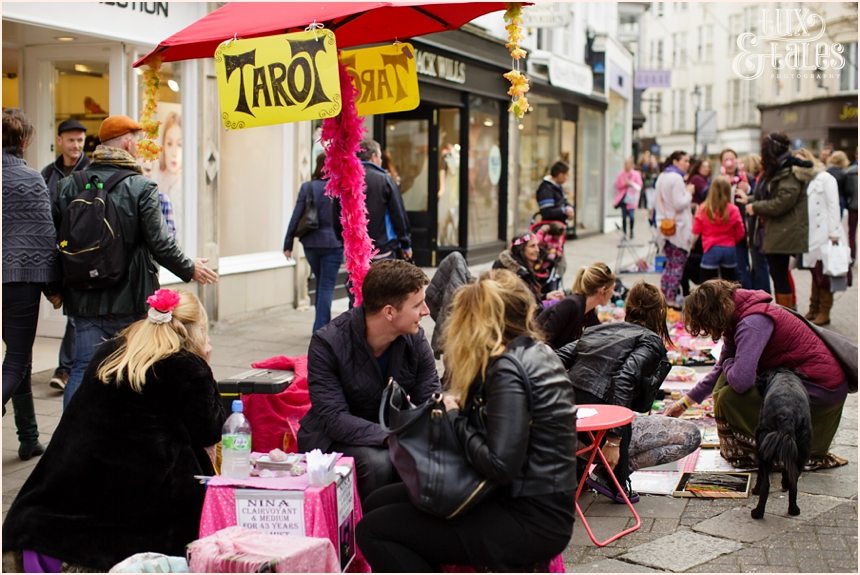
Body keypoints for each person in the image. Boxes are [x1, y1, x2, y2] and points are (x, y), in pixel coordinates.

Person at [356, 269, 577, 572]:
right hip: (535, 503)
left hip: (527, 517)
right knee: (379, 501)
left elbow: (500, 464)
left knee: (373, 530)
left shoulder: (506, 369)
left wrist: (455, 416)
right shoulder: (537, 353)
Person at [2, 289, 225, 571]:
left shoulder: (111, 350)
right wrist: (205, 365)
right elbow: (210, 431)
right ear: (196, 331)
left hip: (33, 526)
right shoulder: (187, 367)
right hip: (103, 543)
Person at [52, 115, 219, 409]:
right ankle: (122, 439)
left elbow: (52, 240)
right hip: (129, 297)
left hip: (82, 294)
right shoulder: (141, 186)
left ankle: (71, 440)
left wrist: (54, 287)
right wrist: (189, 267)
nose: (142, 147)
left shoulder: (69, 185)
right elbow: (160, 242)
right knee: (133, 368)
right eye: (139, 141)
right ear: (127, 143)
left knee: (82, 368)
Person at [665, 280, 848, 471]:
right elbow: (721, 368)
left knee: (729, 397)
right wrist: (683, 404)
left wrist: (728, 363)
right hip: (807, 385)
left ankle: (770, 450)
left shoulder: (752, 322)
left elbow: (742, 381)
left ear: (713, 315)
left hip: (821, 394)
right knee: (725, 379)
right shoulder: (736, 314)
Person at [297, 259, 440, 501]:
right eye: (417, 305)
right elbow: (334, 418)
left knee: (429, 453)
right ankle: (366, 532)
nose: (426, 311)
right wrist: (392, 437)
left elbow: (430, 399)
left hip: (389, 432)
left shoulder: (414, 339)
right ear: (389, 312)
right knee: (379, 462)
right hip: (333, 438)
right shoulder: (328, 342)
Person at [557, 282, 701, 504]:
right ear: (659, 312)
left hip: (570, 423)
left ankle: (587, 465)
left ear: (628, 306)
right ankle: (607, 475)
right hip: (599, 430)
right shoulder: (650, 340)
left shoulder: (600, 330)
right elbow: (624, 378)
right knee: (690, 435)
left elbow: (553, 358)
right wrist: (614, 440)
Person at [2, 109, 61, 461]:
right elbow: (43, 238)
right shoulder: (29, 179)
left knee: (18, 362)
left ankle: (28, 437)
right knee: (18, 358)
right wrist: (53, 287)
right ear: (24, 140)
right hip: (19, 280)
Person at [40, 118, 90, 393]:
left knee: (75, 313)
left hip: (80, 252)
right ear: (60, 140)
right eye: (71, 140)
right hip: (52, 250)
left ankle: (65, 369)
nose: (76, 145)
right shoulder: (48, 173)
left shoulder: (91, 172)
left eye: (80, 140)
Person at [736, 132, 810, 309]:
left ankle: (788, 316)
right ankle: (787, 314)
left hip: (783, 231)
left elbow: (782, 202)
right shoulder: (781, 167)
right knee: (778, 274)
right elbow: (772, 196)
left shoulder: (789, 170)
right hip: (777, 230)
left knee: (780, 275)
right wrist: (751, 200)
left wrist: (756, 207)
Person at [283, 153, 344, 333]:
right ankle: (322, 329)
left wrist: (288, 244)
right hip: (333, 243)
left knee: (320, 283)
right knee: (325, 285)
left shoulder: (307, 187)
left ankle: (320, 325)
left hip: (310, 243)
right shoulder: (338, 188)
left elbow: (296, 216)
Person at [334, 139, 412, 266]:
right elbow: (398, 215)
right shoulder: (385, 179)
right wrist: (405, 244)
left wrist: (343, 241)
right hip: (382, 249)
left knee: (360, 285)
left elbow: (337, 215)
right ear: (374, 157)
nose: (381, 161)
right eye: (380, 157)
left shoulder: (344, 180)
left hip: (355, 250)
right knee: (382, 284)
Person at [795, 148, 845, 326]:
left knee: (824, 274)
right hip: (812, 235)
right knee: (814, 273)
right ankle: (813, 307)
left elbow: (833, 205)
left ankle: (824, 310)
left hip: (825, 234)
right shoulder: (805, 181)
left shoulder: (826, 178)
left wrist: (834, 232)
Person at [536, 262, 616, 349]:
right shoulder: (570, 305)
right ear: (602, 290)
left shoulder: (589, 311)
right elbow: (544, 340)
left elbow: (599, 336)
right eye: (612, 289)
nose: (613, 293)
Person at [654, 150, 694, 308]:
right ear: (675, 161)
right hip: (678, 227)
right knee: (677, 265)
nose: (688, 164)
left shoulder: (662, 176)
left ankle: (663, 298)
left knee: (670, 264)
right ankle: (669, 300)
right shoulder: (676, 178)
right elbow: (679, 203)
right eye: (685, 160)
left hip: (665, 225)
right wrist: (689, 193)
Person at [691, 175, 745, 282]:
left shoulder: (703, 208)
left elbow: (696, 231)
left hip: (711, 248)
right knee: (730, 282)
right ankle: (727, 299)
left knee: (708, 282)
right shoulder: (733, 209)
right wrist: (732, 241)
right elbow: (741, 232)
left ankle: (711, 299)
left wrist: (691, 246)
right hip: (729, 248)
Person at [492, 232, 564, 307]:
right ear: (521, 249)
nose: (537, 250)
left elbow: (530, 297)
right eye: (532, 246)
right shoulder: (511, 271)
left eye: (537, 245)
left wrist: (546, 296)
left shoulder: (523, 267)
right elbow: (521, 303)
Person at [719, 149, 754, 290]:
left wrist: (748, 190)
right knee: (726, 268)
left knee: (742, 264)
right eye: (726, 159)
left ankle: (746, 295)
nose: (729, 163)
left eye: (732, 159)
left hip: (741, 228)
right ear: (722, 163)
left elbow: (757, 194)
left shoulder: (746, 178)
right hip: (723, 230)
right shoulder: (719, 180)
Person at [741, 153, 771, 293]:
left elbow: (760, 200)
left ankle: (763, 295)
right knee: (759, 264)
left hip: (758, 227)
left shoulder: (755, 180)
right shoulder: (762, 178)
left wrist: (748, 199)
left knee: (760, 264)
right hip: (760, 227)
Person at [613, 157, 643, 239]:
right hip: (623, 199)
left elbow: (639, 185)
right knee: (623, 217)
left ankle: (631, 231)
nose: (627, 166)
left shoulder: (636, 174)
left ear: (632, 165)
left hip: (631, 199)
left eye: (628, 164)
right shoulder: (621, 174)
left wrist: (631, 183)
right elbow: (617, 185)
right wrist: (624, 184)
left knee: (631, 216)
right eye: (626, 164)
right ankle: (624, 233)